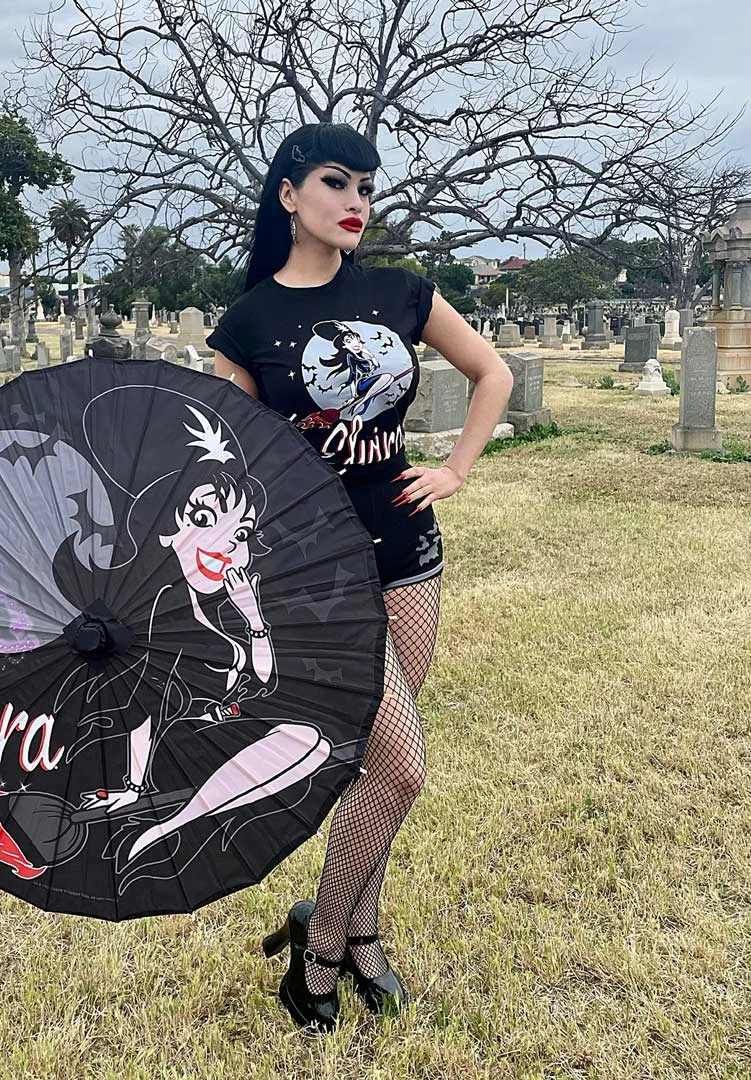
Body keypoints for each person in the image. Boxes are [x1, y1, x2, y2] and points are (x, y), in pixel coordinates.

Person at [206, 122, 514, 1031]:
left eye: (367, 188)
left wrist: (454, 468)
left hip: (406, 547)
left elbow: (491, 373)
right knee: (402, 766)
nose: (355, 202)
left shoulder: (399, 291)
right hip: (316, 567)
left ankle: (355, 929)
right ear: (289, 194)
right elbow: (231, 462)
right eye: (336, 182)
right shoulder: (248, 322)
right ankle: (323, 952)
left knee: (375, 766)